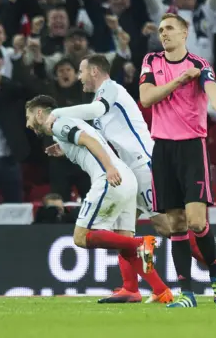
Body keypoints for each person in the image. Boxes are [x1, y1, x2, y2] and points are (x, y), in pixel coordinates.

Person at [46, 54, 216, 303]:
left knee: (166, 227)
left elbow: (96, 110)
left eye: (81, 72)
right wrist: (66, 147)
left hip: (144, 164)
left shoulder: (110, 90)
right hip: (129, 170)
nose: (79, 77)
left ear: (94, 71)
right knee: (123, 230)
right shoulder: (101, 99)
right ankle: (130, 288)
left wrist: (56, 112)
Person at [139, 13, 216, 309]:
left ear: (185, 33)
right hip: (162, 148)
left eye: (170, 28)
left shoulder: (199, 65)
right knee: (176, 224)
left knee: (197, 221)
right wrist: (179, 81)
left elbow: (214, 95)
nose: (164, 33)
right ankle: (187, 294)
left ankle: (215, 274)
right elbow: (146, 98)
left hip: (192, 148)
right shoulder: (151, 61)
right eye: (160, 29)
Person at [24, 95, 157, 297]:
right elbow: (85, 140)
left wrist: (109, 168)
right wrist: (64, 148)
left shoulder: (58, 123)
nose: (28, 123)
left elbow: (88, 140)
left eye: (29, 117)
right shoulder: (67, 124)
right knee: (122, 239)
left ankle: (141, 243)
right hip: (128, 178)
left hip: (110, 177)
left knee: (81, 237)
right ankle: (151, 290)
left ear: (40, 113)